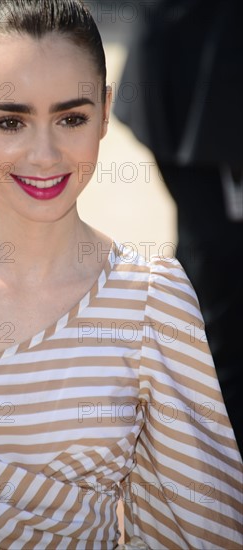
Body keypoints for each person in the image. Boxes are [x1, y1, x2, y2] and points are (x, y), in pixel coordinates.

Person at [0, 1, 242, 549]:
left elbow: (197, 528)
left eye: (71, 118)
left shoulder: (153, 299)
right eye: (9, 121)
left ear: (104, 111)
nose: (44, 155)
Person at [113, 0, 243, 454]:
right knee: (217, 275)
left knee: (204, 269)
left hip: (199, 76)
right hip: (199, 83)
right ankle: (207, 450)